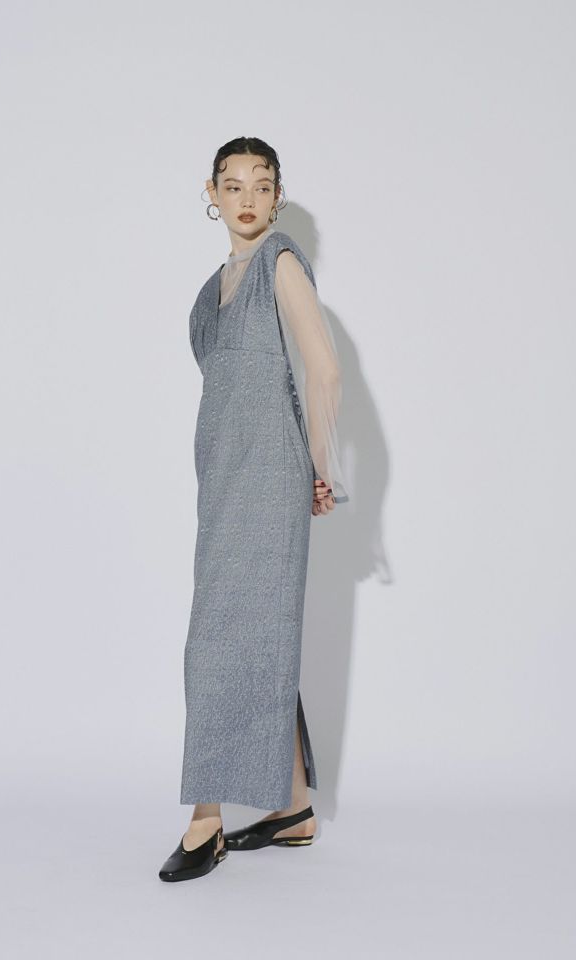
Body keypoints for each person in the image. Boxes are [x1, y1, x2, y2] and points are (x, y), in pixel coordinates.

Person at [159, 137, 349, 882]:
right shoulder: (214, 286)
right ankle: (294, 809)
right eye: (233, 185)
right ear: (211, 193)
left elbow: (324, 371)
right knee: (253, 634)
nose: (247, 198)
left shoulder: (280, 263)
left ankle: (205, 819)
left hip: (267, 478)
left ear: (277, 196)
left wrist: (319, 467)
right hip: (222, 476)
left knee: (217, 638)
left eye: (261, 185)